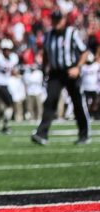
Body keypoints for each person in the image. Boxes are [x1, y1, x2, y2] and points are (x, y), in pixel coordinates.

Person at [31, 11, 92, 145]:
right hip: (55, 73)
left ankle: (84, 134)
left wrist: (78, 68)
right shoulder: (48, 35)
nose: (56, 22)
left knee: (77, 103)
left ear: (64, 20)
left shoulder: (71, 33)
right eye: (54, 19)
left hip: (71, 70)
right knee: (50, 102)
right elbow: (46, 54)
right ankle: (42, 134)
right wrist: (44, 70)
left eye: (59, 20)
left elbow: (84, 52)